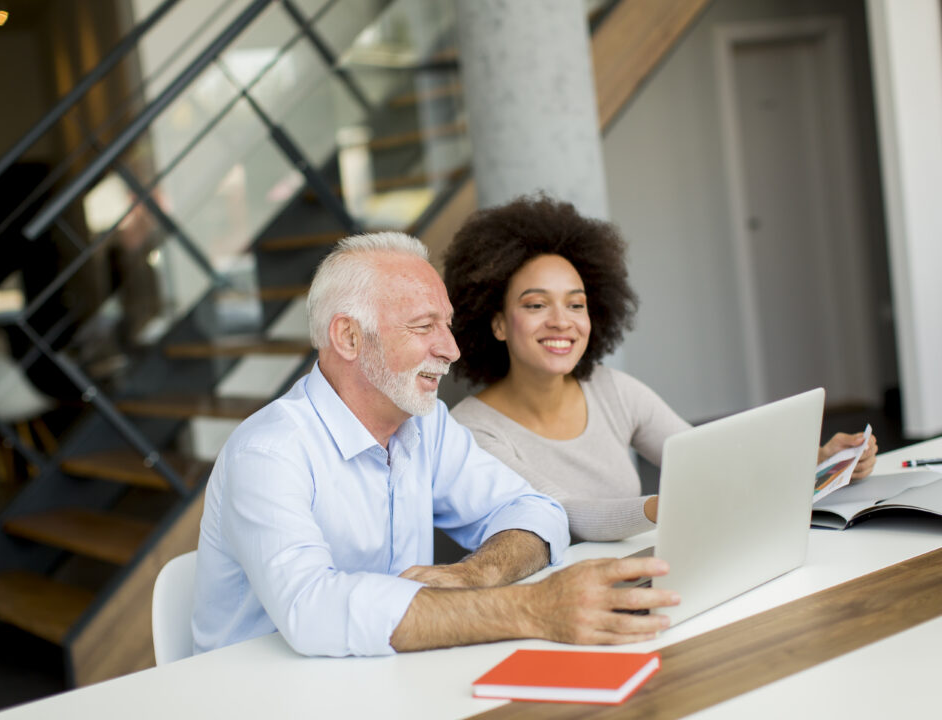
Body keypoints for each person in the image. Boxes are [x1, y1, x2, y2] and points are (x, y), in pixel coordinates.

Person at [191, 231, 681, 658]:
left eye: (445, 325)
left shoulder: (426, 424)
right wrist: (533, 608)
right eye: (424, 327)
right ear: (348, 337)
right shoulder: (269, 452)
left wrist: (477, 576)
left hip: (384, 680)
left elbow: (535, 510)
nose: (451, 349)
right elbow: (312, 610)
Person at [445, 195, 878, 542]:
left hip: (640, 574)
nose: (562, 321)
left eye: (576, 304)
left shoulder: (610, 389)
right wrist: (665, 505)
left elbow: (708, 459)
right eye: (536, 305)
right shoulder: (472, 430)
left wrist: (815, 463)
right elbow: (564, 512)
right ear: (497, 322)